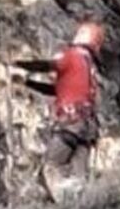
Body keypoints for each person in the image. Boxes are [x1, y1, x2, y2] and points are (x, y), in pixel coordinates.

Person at [41, 20, 105, 195]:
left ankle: (62, 205)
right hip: (88, 128)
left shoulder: (71, 56)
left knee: (51, 165)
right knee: (80, 177)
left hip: (70, 123)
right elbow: (96, 100)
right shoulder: (91, 67)